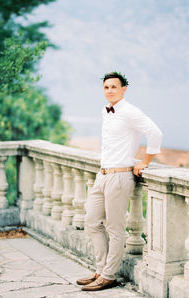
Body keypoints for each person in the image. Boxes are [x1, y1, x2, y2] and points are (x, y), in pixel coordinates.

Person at [76, 71, 163, 291]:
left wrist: (145, 161)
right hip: (102, 175)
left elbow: (155, 133)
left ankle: (109, 275)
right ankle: (100, 269)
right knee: (92, 221)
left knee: (115, 228)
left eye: (114, 87)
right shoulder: (106, 111)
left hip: (120, 176)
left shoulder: (131, 112)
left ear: (124, 89)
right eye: (106, 87)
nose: (109, 91)